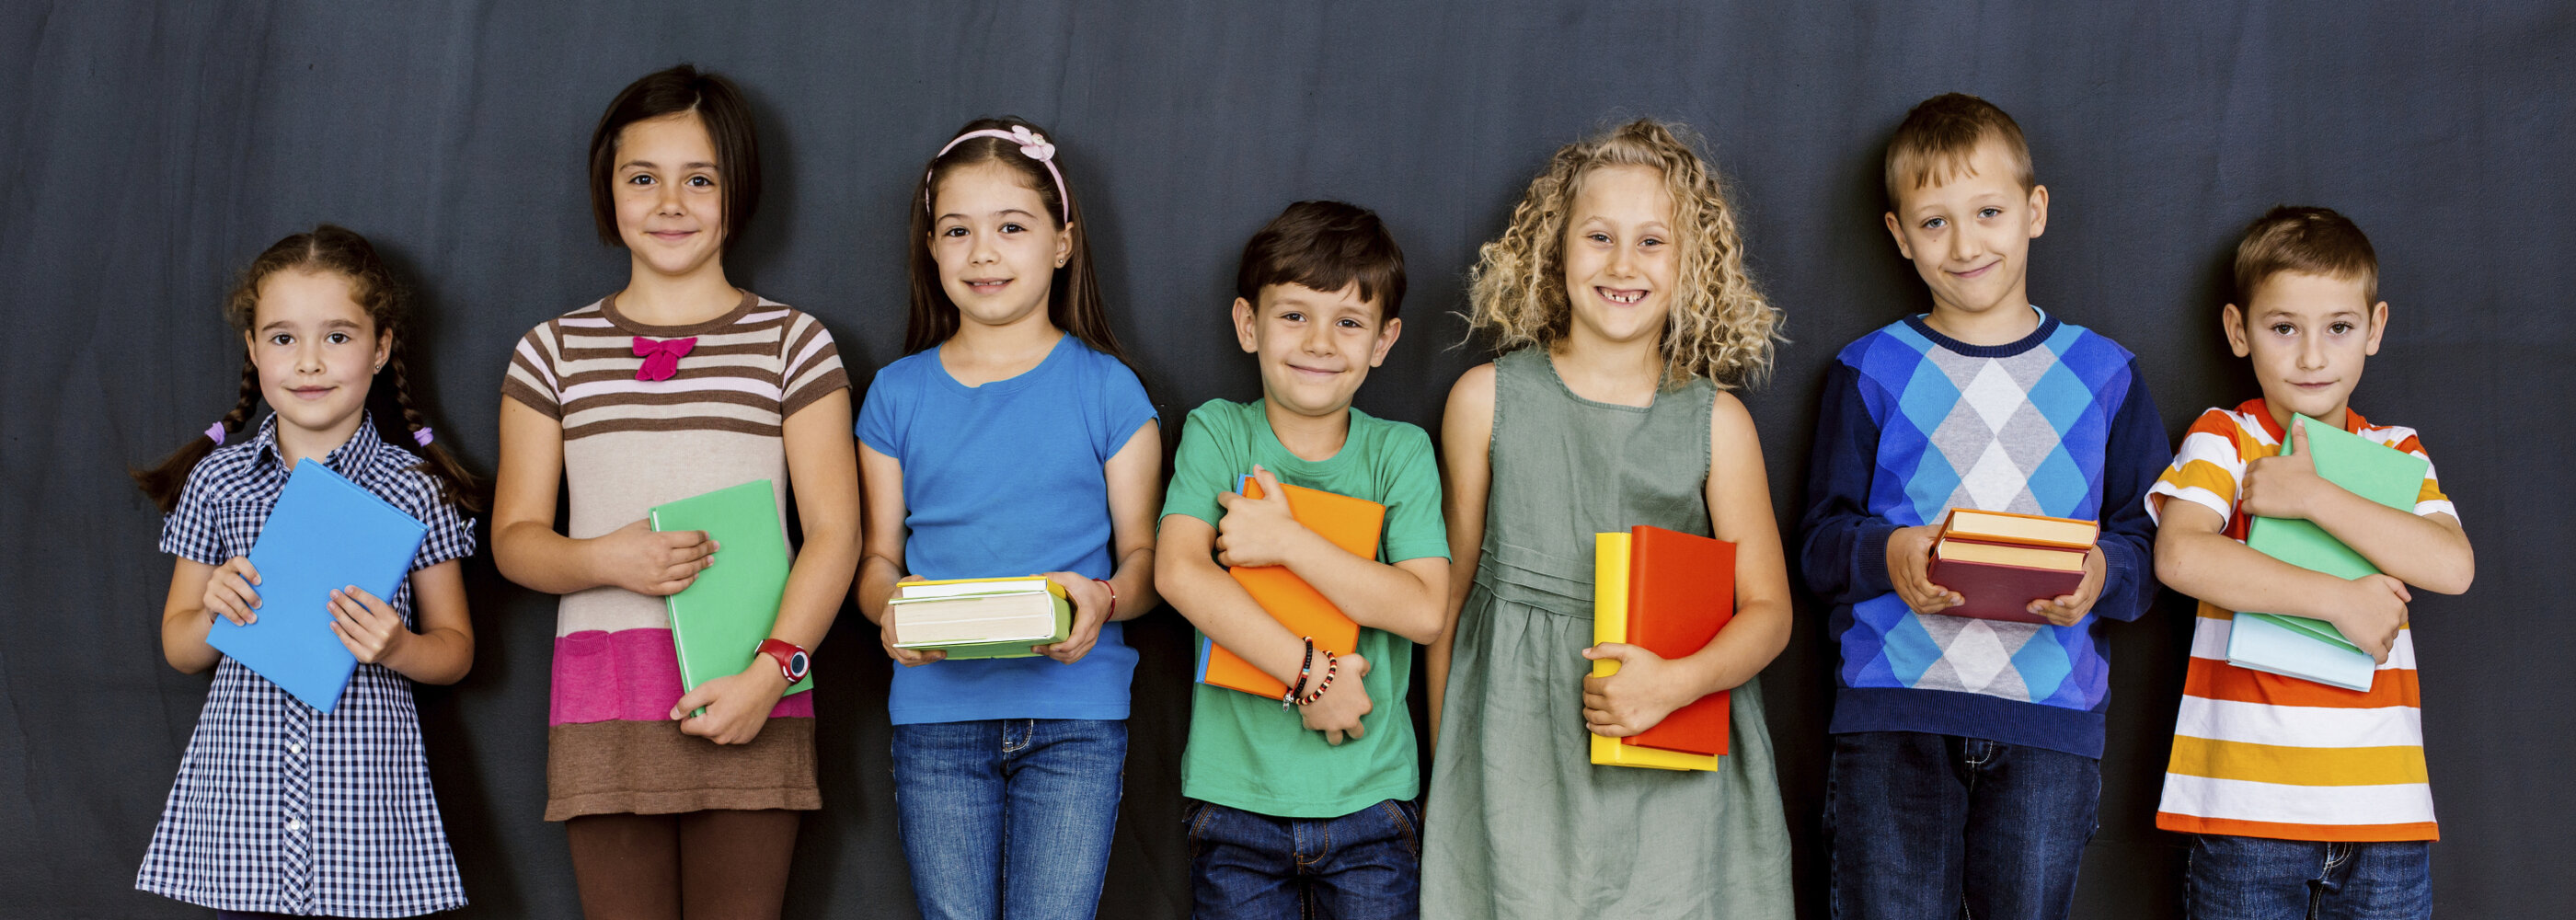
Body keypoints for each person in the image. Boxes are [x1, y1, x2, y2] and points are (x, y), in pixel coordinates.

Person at [491, 64, 859, 920]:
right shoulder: (552, 351)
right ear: (607, 190)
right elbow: (514, 538)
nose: (670, 202)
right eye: (642, 177)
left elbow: (836, 533)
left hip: (754, 693)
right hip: (603, 710)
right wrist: (602, 558)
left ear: (739, 192)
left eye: (700, 179)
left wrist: (774, 674)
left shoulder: (792, 343)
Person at [1796, 92, 2169, 920]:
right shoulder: (1871, 368)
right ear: (1898, 234)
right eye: (1934, 223)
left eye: (1989, 212)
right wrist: (1892, 556)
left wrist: (2101, 573)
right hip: (1894, 719)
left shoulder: (2106, 374)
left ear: (2034, 212)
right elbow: (1820, 544)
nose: (1966, 245)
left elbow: (2150, 549)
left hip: (2049, 728)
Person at [1423, 119, 1797, 919]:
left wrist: (1678, 682)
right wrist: (1447, 763)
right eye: (1599, 236)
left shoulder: (1717, 424)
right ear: (1557, 249)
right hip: (1512, 757)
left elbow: (1768, 613)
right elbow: (1443, 605)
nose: (1622, 265)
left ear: (1690, 262)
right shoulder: (1484, 403)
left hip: (1674, 763)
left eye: (1651, 242)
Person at [854, 116, 1161, 920]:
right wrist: (887, 612)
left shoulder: (1109, 390)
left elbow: (1146, 561)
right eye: (957, 231)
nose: (982, 252)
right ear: (931, 247)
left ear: (1062, 243)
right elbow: (877, 561)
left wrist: (1106, 601)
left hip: (1076, 715)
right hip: (936, 717)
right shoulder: (896, 394)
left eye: (1010, 228)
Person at [132, 224, 484, 918]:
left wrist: (400, 648)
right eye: (284, 337)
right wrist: (213, 612)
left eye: (339, 336)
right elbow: (179, 647)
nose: (310, 363)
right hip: (245, 792)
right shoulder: (219, 484)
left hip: (364, 793)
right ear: (254, 349)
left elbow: (457, 651)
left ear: (381, 348)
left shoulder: (414, 487)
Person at [2149, 206, 2473, 920]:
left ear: (2375, 328)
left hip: (2384, 814)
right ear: (2240, 331)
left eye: (2339, 327)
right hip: (2246, 807)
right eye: (2283, 327)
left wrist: (2314, 496)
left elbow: (2451, 567)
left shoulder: (2396, 450)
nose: (2313, 357)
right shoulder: (2228, 436)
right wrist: (2338, 599)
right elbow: (2178, 554)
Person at [1155, 200, 1450, 918]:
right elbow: (1177, 572)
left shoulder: (1399, 451)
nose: (1320, 341)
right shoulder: (1219, 433)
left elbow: (1423, 609)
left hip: (1372, 803)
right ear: (1248, 325)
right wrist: (1311, 678)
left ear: (1384, 341)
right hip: (1236, 803)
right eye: (1294, 315)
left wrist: (1287, 541)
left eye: (1349, 322)